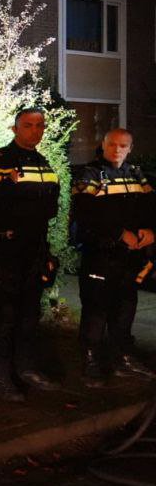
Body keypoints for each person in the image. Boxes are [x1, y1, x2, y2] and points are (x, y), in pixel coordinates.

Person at [0, 108, 62, 401]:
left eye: (40, 125)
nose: (35, 130)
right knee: (6, 313)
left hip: (35, 246)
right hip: (7, 246)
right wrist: (8, 186)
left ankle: (26, 369)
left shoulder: (44, 164)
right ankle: (0, 374)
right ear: (15, 129)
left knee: (29, 313)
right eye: (28, 125)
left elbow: (50, 207)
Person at [71, 128, 156, 386]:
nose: (117, 149)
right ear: (103, 145)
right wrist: (119, 234)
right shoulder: (91, 174)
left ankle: (123, 358)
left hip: (129, 257)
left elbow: (150, 205)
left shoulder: (136, 174)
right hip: (101, 254)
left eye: (123, 145)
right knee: (96, 309)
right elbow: (84, 212)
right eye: (112, 144)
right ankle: (91, 362)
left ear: (130, 148)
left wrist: (151, 231)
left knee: (125, 307)